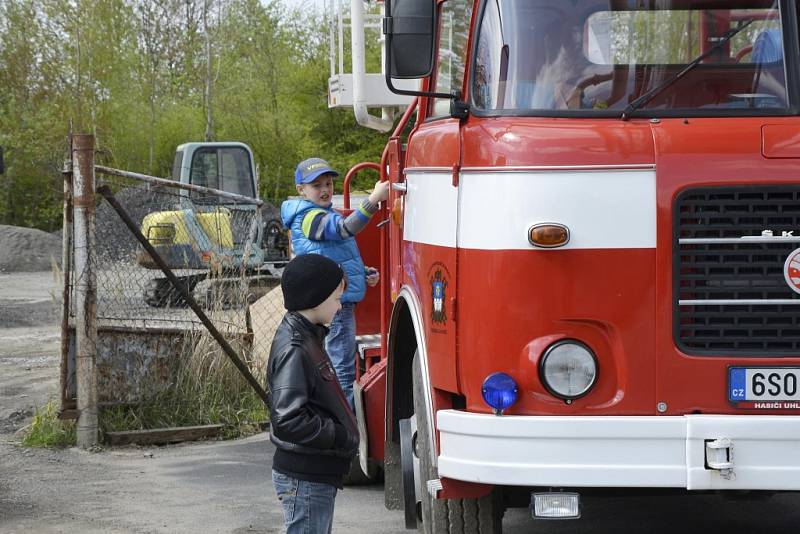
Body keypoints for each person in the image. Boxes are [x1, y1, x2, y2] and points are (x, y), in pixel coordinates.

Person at [281, 157, 390, 410]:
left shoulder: (321, 213)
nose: (325, 190)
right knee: (341, 369)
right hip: (335, 306)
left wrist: (363, 272)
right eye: (316, 185)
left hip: (336, 301)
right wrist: (373, 200)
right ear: (301, 190)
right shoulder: (311, 218)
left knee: (338, 363)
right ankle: (345, 425)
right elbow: (344, 229)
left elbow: (332, 258)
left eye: (328, 183)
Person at [268, 253, 359, 534]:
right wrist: (338, 435)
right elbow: (288, 419)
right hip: (305, 476)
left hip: (312, 472)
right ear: (315, 299)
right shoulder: (296, 347)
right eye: (335, 298)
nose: (340, 304)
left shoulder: (309, 336)